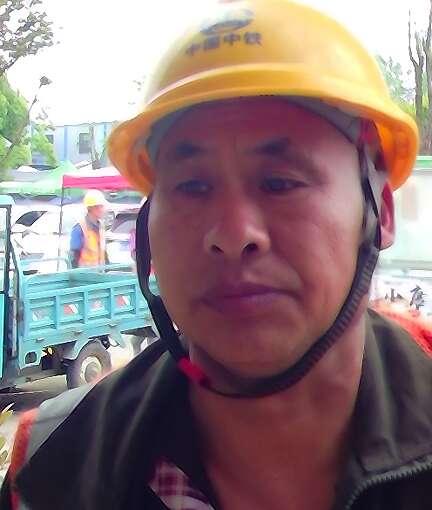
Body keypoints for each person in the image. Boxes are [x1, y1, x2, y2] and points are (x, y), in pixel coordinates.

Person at [1, 1, 431, 509]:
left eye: (280, 182)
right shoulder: (53, 470)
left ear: (380, 212)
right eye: (192, 186)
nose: (231, 234)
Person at [69, 189, 107, 268]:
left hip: (100, 272)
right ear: (92, 208)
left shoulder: (101, 227)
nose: (103, 210)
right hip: (84, 273)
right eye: (101, 206)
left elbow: (103, 253)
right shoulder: (79, 228)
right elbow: (74, 255)